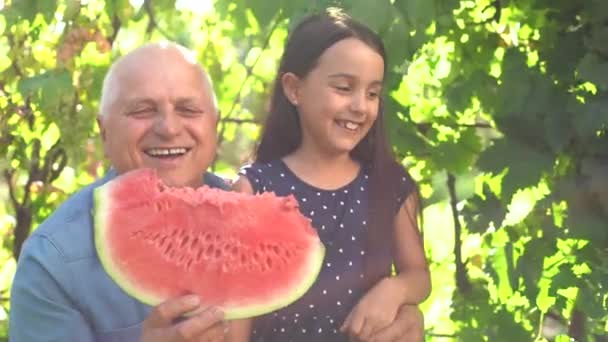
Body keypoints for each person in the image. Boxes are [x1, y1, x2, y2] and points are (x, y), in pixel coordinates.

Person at [9, 42, 233, 342]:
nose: (168, 127)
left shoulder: (254, 214)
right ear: (104, 132)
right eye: (142, 110)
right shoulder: (52, 261)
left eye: (188, 109)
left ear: (214, 126)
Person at [230, 8, 431, 342]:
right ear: (294, 89)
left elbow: (418, 275)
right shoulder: (254, 189)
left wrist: (394, 290)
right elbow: (237, 311)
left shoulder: (390, 184)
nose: (360, 106)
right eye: (343, 88)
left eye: (372, 93)